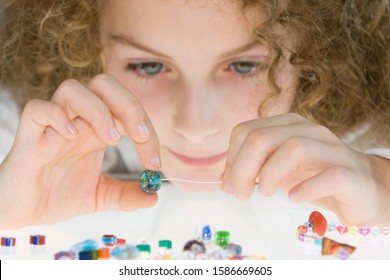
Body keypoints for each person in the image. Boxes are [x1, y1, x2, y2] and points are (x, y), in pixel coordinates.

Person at [0, 0, 389, 231]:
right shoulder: (23, 145)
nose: (196, 126)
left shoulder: (362, 153)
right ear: (89, 46)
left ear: (312, 51)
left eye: (244, 66)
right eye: (149, 67)